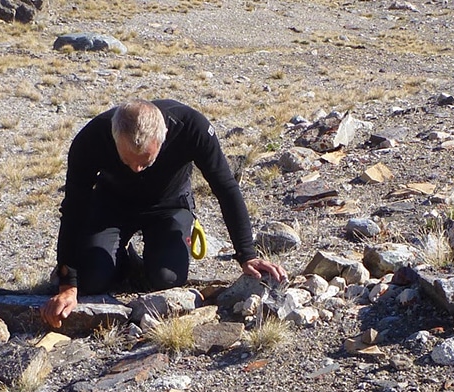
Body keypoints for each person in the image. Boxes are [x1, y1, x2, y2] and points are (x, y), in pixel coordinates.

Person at [41, 99, 286, 329]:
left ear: (163, 138)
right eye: (127, 162)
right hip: (110, 207)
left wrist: (247, 255)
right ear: (114, 139)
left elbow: (226, 188)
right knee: (92, 282)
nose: (136, 169)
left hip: (169, 205)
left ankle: (142, 262)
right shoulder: (91, 138)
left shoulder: (191, 127)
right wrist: (68, 283)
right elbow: (74, 207)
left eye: (145, 163)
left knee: (167, 279)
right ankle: (122, 261)